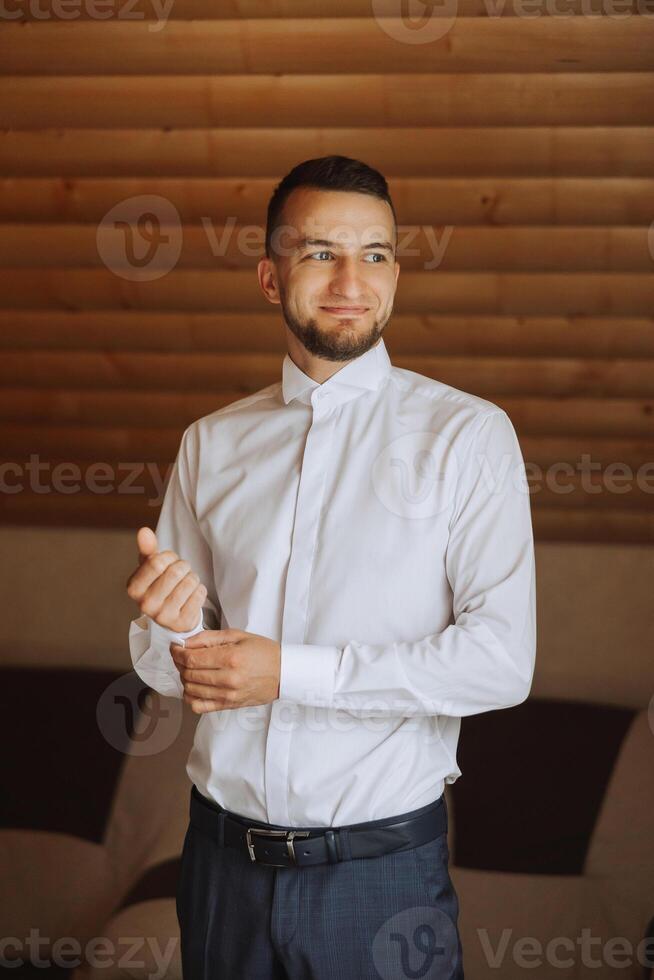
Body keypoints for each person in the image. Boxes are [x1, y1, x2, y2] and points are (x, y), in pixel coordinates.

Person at [126, 154, 537, 979]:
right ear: (271, 277)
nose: (353, 279)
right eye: (320, 252)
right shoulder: (210, 443)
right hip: (218, 869)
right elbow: (165, 667)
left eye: (376, 255)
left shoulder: (468, 437)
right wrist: (172, 631)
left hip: (380, 876)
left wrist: (290, 672)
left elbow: (500, 664)